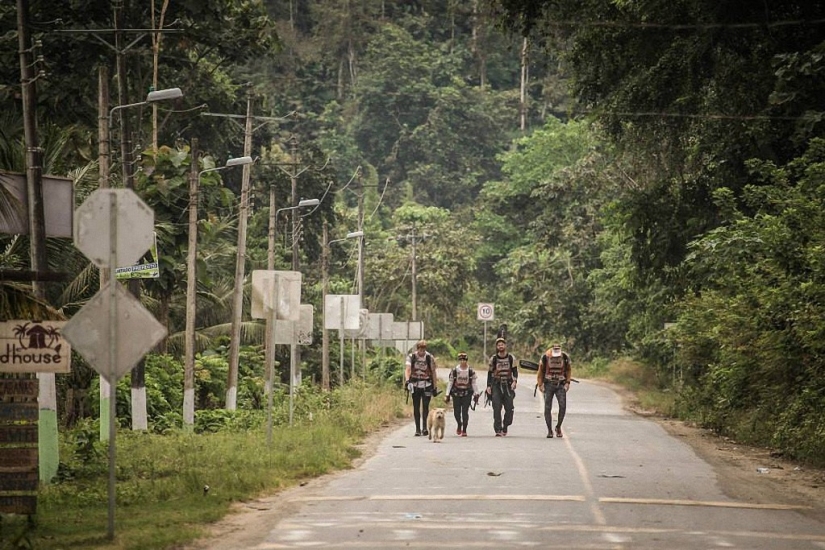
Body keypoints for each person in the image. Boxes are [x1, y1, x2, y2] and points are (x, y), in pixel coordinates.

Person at [536, 343, 572, 438]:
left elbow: (568, 370)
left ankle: (558, 426)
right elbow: (540, 372)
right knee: (547, 408)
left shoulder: (564, 357)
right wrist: (540, 384)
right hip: (548, 384)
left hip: (560, 384)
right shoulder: (545, 357)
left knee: (562, 406)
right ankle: (549, 430)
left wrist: (568, 382)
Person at [405, 340, 439, 436]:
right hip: (415, 385)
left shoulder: (429, 357)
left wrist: (435, 386)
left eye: (424, 349)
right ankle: (417, 429)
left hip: (426, 385)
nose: (422, 351)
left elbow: (433, 372)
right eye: (420, 349)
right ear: (417, 348)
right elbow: (407, 369)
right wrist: (407, 381)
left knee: (425, 406)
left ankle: (425, 428)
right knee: (416, 406)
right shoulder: (412, 357)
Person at [486, 337, 518, 436]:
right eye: (498, 345)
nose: (500, 346)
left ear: (505, 346)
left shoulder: (511, 358)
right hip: (496, 385)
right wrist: (488, 386)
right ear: (497, 347)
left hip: (508, 385)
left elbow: (515, 371)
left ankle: (505, 426)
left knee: (509, 408)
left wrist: (514, 381)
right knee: (496, 407)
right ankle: (498, 429)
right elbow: (490, 373)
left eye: (502, 344)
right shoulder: (494, 359)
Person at [445, 352, 480, 437]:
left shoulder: (471, 371)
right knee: (456, 412)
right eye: (461, 360)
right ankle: (459, 424)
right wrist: (447, 394)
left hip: (467, 393)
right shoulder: (454, 371)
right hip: (456, 393)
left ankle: (464, 429)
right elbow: (450, 382)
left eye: (464, 359)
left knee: (465, 412)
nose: (462, 361)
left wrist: (476, 393)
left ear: (466, 360)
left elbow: (474, 383)